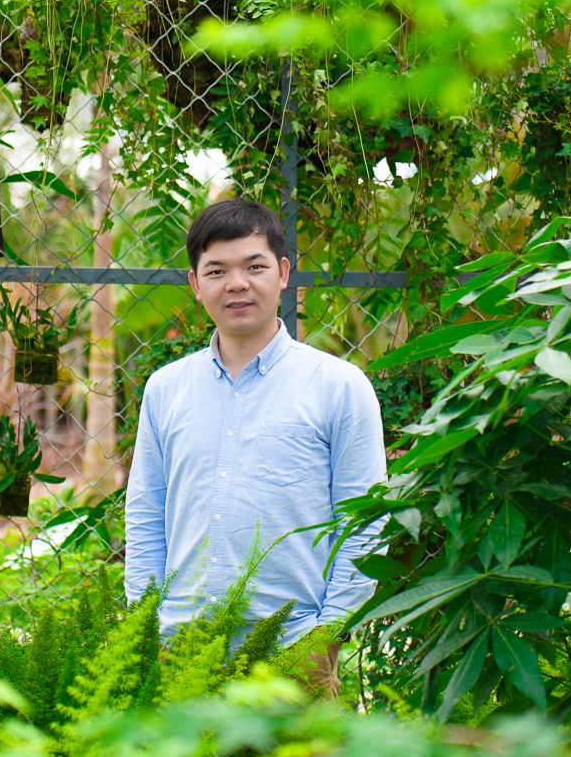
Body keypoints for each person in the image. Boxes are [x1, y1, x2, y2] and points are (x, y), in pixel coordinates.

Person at [124, 198, 386, 690]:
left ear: (283, 273)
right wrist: (147, 624)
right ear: (195, 284)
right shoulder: (165, 389)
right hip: (180, 650)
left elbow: (365, 522)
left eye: (255, 266)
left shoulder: (338, 386)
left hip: (293, 653)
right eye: (217, 270)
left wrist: (325, 638)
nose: (237, 283)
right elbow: (146, 515)